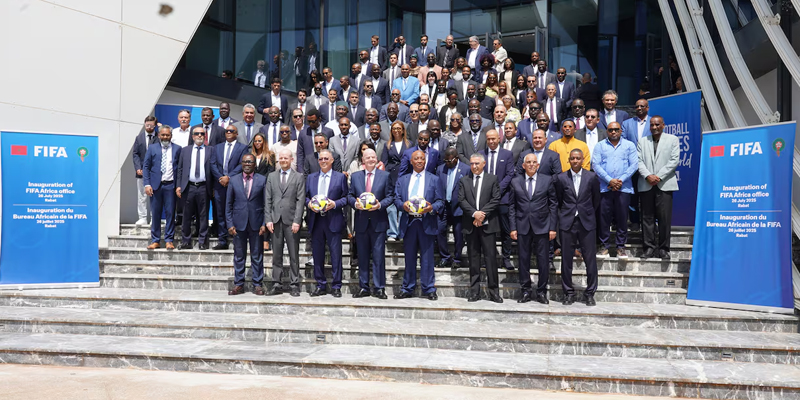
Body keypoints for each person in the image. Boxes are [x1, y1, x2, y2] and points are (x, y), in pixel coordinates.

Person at [394, 150, 443, 300]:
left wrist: (431, 208)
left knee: (427, 258)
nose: (420, 161)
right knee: (409, 258)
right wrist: (403, 206)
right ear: (411, 161)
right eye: (416, 158)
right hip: (409, 222)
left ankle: (429, 288)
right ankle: (407, 288)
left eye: (422, 158)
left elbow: (440, 201)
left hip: (426, 221)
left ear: (425, 161)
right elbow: (396, 199)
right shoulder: (403, 180)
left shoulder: (434, 179)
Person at [509, 152, 557, 304]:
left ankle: (541, 292)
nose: (531, 164)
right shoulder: (515, 181)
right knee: (523, 260)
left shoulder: (547, 180)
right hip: (522, 226)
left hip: (542, 226)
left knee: (543, 260)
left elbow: (553, 205)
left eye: (533, 162)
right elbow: (512, 206)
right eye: (528, 162)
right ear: (523, 166)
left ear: (538, 165)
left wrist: (552, 227)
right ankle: (526, 291)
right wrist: (513, 227)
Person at [555, 149, 601, 306]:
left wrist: (586, 213)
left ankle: (590, 293)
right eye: (572, 158)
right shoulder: (561, 178)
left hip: (586, 222)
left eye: (578, 158)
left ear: (583, 160)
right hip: (567, 223)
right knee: (566, 260)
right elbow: (559, 200)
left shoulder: (591, 177)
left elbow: (596, 200)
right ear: (568, 160)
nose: (575, 161)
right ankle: (568, 293)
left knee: (590, 259)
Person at [348, 148, 393, 299]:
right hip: (361, 222)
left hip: (378, 222)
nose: (371, 160)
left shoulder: (385, 176)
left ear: (377, 159)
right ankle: (364, 287)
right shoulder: (355, 177)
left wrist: (379, 205)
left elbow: (390, 196)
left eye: (373, 157)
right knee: (362, 257)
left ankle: (379, 288)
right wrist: (355, 204)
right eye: (367, 157)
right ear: (363, 160)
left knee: (379, 257)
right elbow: (349, 196)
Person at [458, 153, 502, 303]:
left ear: (483, 164)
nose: (474, 166)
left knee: (491, 259)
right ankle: (474, 292)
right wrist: (474, 214)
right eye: (472, 163)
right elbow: (461, 200)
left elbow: (496, 199)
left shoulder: (492, 179)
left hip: (488, 225)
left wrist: (482, 215)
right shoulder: (464, 180)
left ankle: (494, 292)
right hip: (471, 225)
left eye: (477, 163)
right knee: (473, 259)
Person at [305, 149, 349, 297]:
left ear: (332, 160)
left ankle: (336, 286)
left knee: (336, 255)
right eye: (321, 159)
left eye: (326, 158)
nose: (323, 161)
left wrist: (334, 204)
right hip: (316, 220)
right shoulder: (311, 178)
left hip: (333, 219)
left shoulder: (340, 177)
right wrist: (309, 204)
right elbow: (305, 197)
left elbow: (346, 198)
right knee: (317, 255)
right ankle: (320, 285)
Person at [592, 121, 638, 258]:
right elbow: (596, 165)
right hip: (605, 187)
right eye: (611, 130)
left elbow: (634, 165)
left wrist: (620, 180)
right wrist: (610, 180)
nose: (613, 132)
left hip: (624, 188)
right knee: (604, 218)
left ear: (621, 131)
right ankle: (604, 246)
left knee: (622, 218)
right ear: (607, 131)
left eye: (616, 129)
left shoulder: (629, 145)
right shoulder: (600, 145)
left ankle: (620, 247)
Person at [637, 116, 680, 260]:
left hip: (665, 184)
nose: (654, 127)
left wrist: (659, 176)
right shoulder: (643, 141)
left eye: (657, 124)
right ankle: (648, 248)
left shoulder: (672, 140)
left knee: (664, 218)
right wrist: (648, 176)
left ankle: (663, 249)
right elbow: (638, 161)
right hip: (646, 184)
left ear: (663, 125)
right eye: (652, 125)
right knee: (647, 218)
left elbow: (674, 160)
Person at [264, 148, 305, 296]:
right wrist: (268, 219)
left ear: (291, 159)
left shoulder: (299, 177)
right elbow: (268, 199)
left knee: (294, 255)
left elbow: (300, 201)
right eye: (281, 158)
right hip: (275, 221)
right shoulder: (271, 176)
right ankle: (276, 283)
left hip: (291, 221)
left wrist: (297, 220)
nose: (283, 160)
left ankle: (294, 284)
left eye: (286, 158)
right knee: (277, 255)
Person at [225, 154, 267, 296]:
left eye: (250, 162)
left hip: (257, 224)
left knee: (257, 255)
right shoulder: (234, 180)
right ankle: (239, 284)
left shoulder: (262, 179)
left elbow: (266, 204)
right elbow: (228, 204)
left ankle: (257, 284)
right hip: (238, 224)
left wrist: (264, 223)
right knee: (239, 255)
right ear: (241, 164)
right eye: (244, 162)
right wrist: (230, 224)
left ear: (255, 164)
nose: (247, 164)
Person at [143, 125, 181, 250]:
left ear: (171, 136)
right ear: (159, 135)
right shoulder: (152, 148)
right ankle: (155, 240)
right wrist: (147, 184)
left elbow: (180, 169)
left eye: (167, 135)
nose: (165, 137)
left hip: (170, 185)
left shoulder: (177, 149)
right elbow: (146, 167)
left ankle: (169, 240)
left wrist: (179, 186)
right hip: (155, 186)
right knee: (156, 214)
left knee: (170, 213)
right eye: (163, 135)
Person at [176, 127, 214, 250]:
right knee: (186, 215)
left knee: (203, 216)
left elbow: (214, 169)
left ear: (205, 136)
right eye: (197, 133)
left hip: (204, 187)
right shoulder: (185, 150)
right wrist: (178, 185)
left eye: (202, 134)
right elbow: (180, 169)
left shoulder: (210, 150)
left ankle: (203, 242)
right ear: (192, 136)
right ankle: (186, 241)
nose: (199, 136)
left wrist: (213, 187)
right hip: (189, 187)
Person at [211, 125, 248, 250]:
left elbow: (241, 165)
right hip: (220, 185)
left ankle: (237, 239)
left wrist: (229, 177)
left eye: (232, 131)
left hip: (234, 184)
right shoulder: (217, 147)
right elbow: (213, 164)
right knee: (220, 213)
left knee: (235, 211)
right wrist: (221, 178)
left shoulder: (242, 148)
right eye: (227, 131)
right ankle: (222, 240)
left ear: (236, 133)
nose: (229, 132)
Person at [482, 130, 515, 270]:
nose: (491, 141)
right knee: (486, 231)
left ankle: (506, 258)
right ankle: (488, 258)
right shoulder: (481, 154)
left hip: (502, 199)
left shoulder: (507, 154)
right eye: (488, 139)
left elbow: (510, 174)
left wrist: (496, 190)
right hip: (485, 200)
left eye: (493, 139)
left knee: (505, 231)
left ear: (499, 139)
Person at [435, 147, 469, 269]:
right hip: (443, 206)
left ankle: (457, 258)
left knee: (458, 234)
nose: (447, 163)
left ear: (456, 158)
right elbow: (437, 187)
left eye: (449, 161)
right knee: (440, 231)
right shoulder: (440, 169)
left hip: (458, 207)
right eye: (445, 161)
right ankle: (445, 257)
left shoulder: (465, 169)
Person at [621, 99, 652, 231]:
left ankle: (650, 222)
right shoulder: (627, 123)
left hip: (649, 165)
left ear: (647, 108)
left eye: (642, 106)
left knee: (649, 196)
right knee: (633, 196)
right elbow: (623, 143)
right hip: (631, 165)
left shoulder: (653, 122)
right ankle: (634, 221)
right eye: (637, 106)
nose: (639, 108)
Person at [382, 121, 410, 240]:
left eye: (399, 128)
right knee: (391, 206)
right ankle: (392, 232)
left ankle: (402, 232)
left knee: (403, 205)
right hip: (391, 177)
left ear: (403, 130)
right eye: (394, 128)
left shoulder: (409, 144)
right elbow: (384, 162)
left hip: (404, 177)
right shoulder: (387, 144)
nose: (396, 130)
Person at [132, 116, 159, 226]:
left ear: (155, 125)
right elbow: (135, 154)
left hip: (155, 172)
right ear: (144, 124)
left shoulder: (159, 137)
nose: (149, 127)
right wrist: (138, 168)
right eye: (147, 125)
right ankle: (142, 217)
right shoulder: (139, 138)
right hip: (142, 171)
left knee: (155, 196)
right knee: (141, 195)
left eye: (151, 125)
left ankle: (154, 218)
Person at [251, 132, 276, 250]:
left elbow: (271, 171)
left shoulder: (270, 155)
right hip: (252, 187)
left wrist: (261, 181)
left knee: (266, 212)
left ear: (264, 142)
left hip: (266, 186)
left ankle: (266, 239)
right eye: (255, 141)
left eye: (259, 141)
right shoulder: (250, 155)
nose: (257, 143)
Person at [296, 109, 334, 175]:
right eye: (309, 122)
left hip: (326, 166)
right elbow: (300, 154)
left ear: (319, 119)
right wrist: (301, 171)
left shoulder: (329, 132)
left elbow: (332, 150)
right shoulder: (303, 133)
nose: (310, 124)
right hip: (309, 168)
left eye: (313, 121)